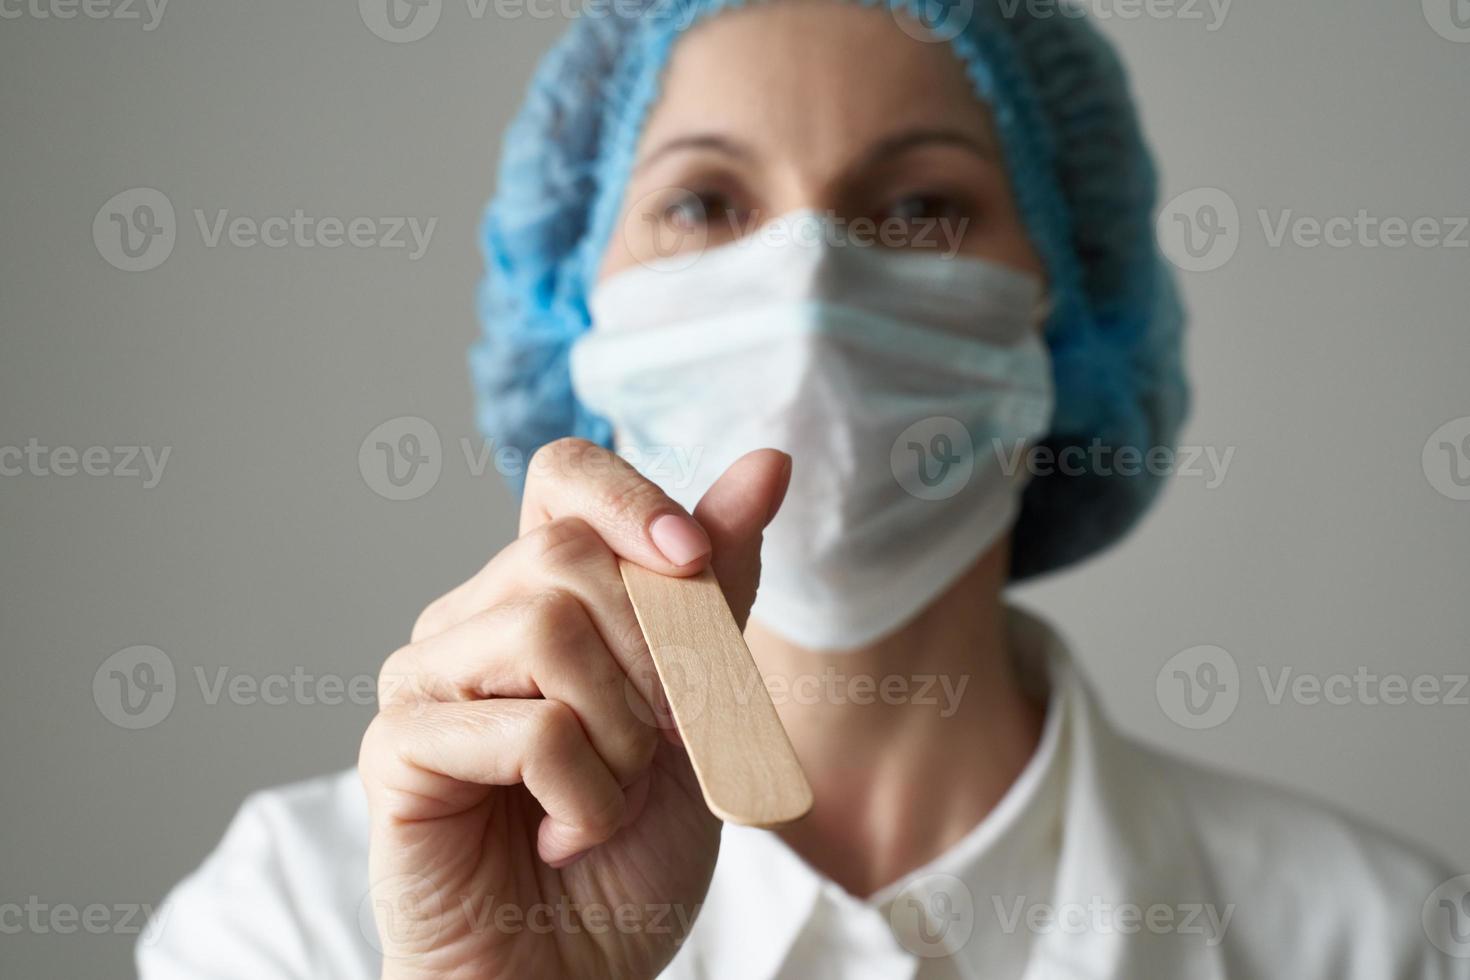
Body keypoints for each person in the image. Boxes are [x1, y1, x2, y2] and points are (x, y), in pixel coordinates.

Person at [139, 0, 1466, 977]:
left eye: (921, 206)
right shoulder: (314, 915)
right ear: (576, 310)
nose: (811, 283)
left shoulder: (1365, 937)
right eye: (706, 205)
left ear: (1064, 310)